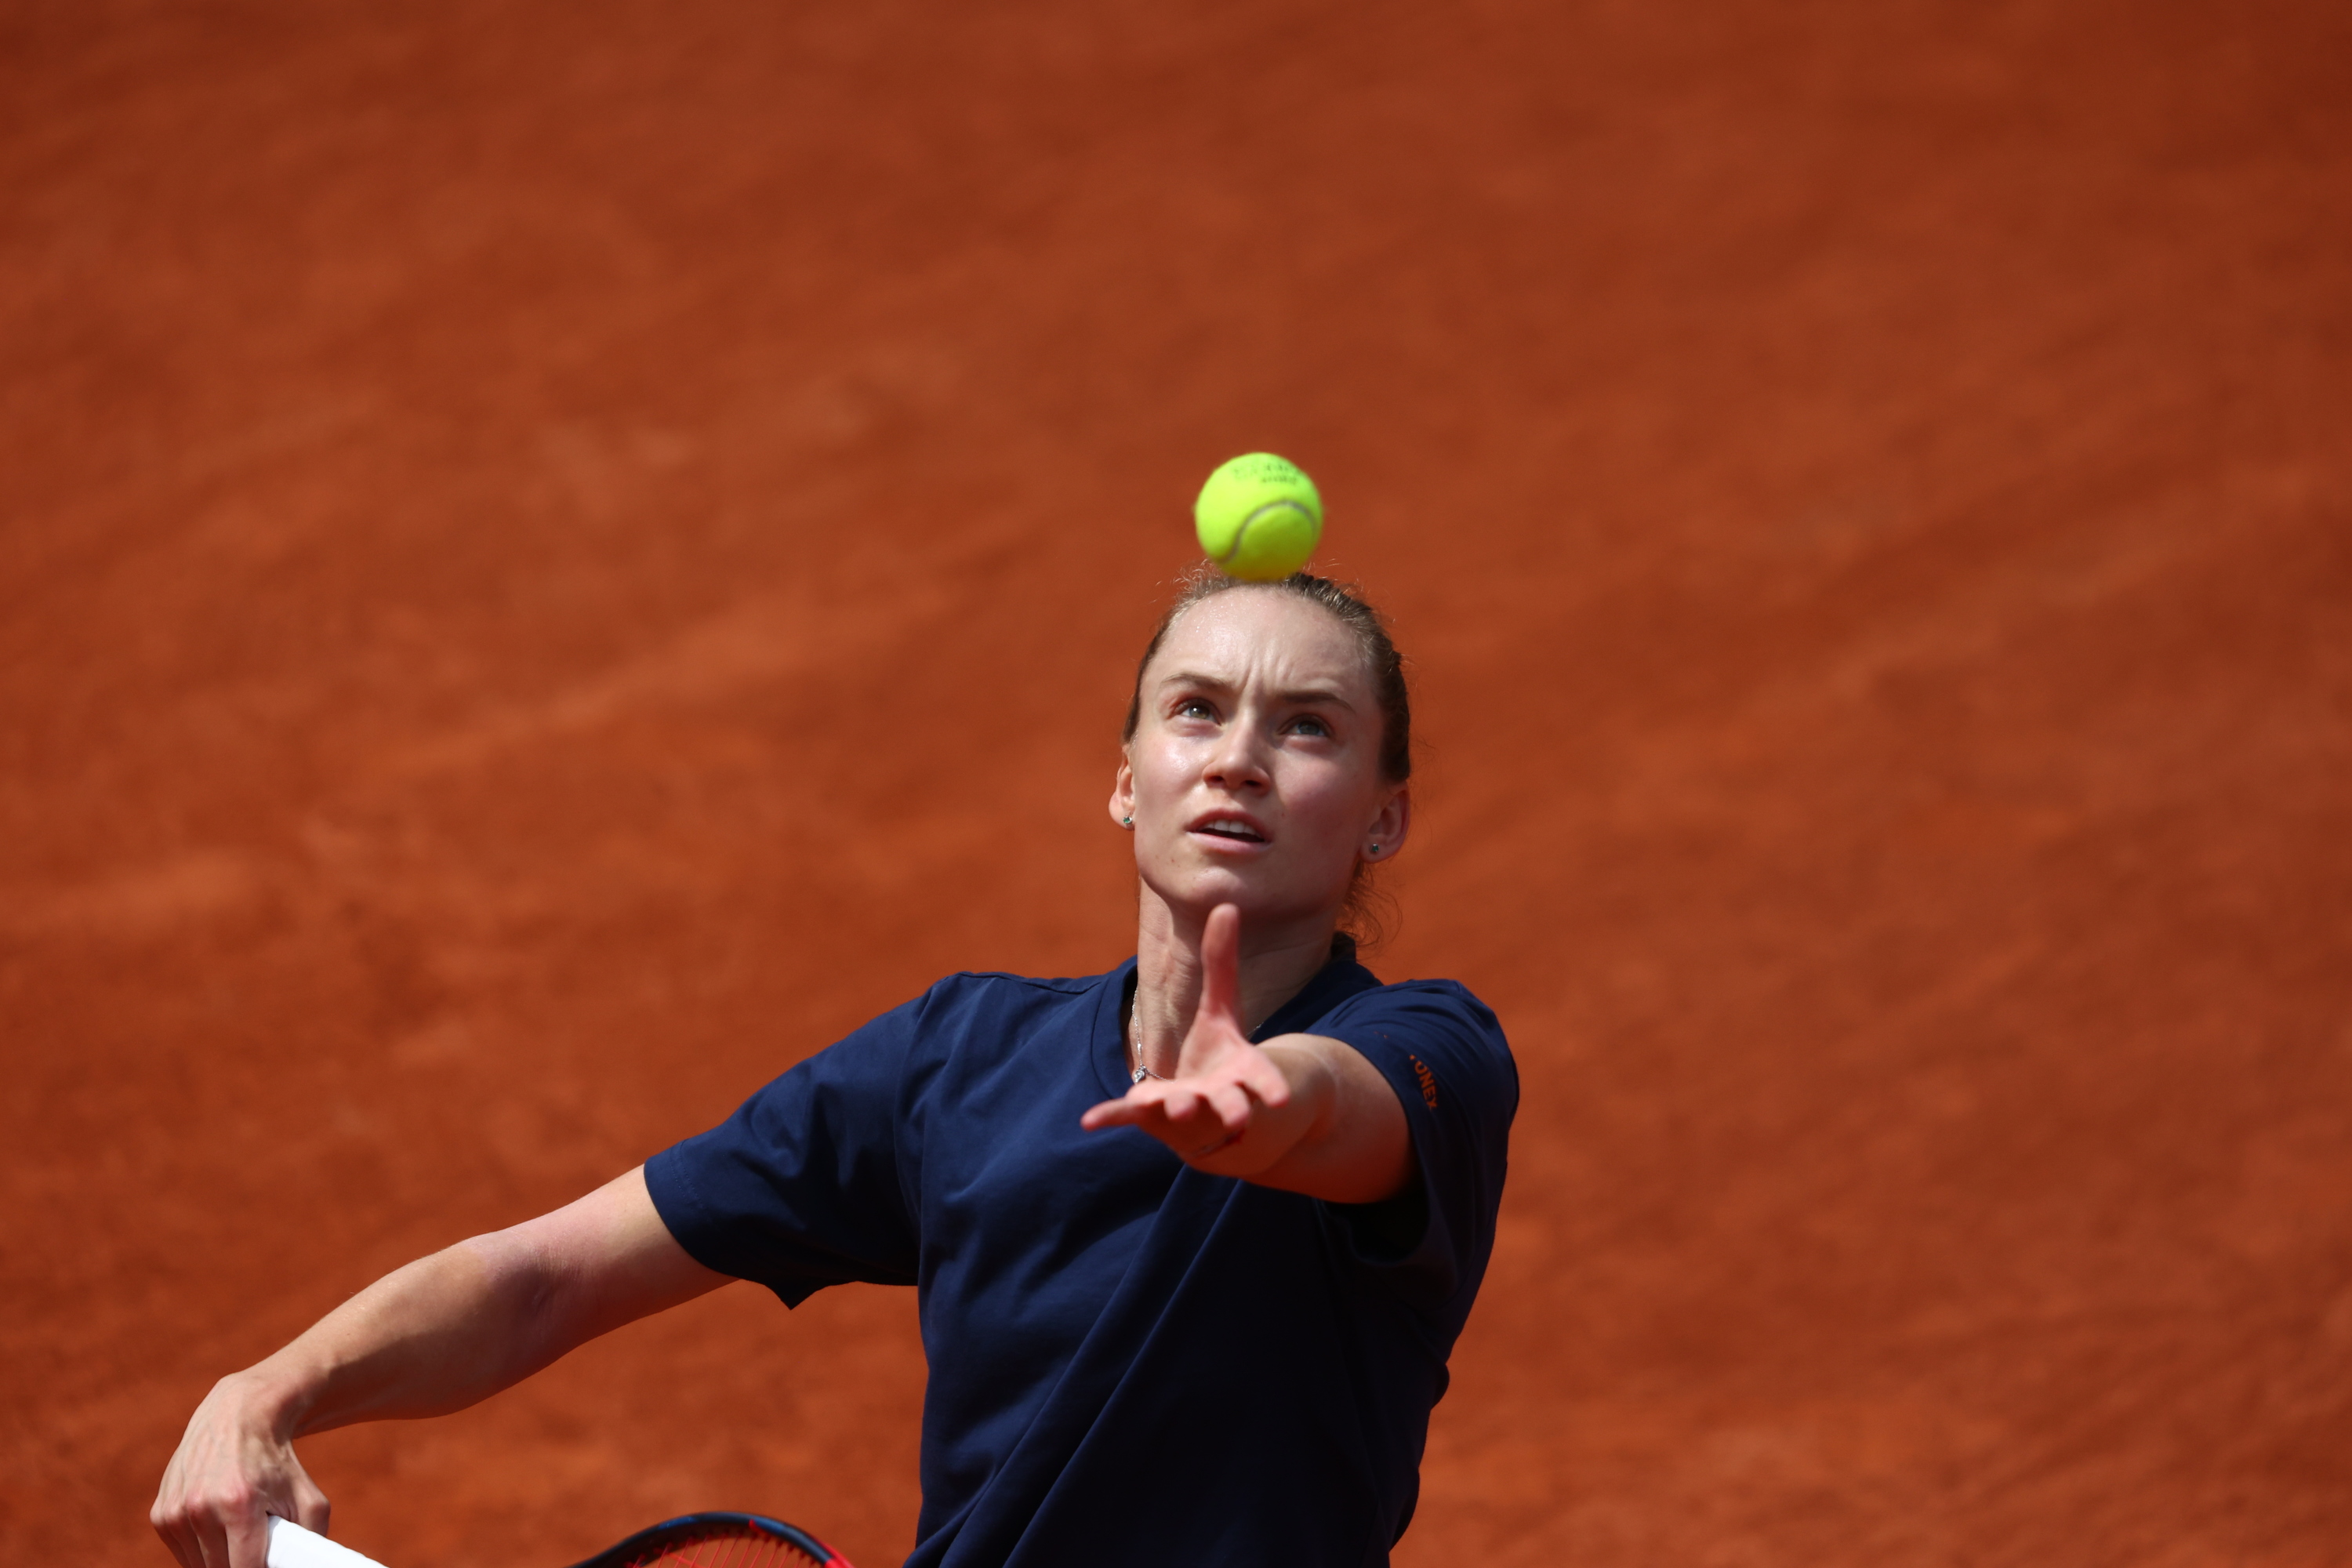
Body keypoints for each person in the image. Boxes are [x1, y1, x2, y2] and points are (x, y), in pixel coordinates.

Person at [152, 572, 1517, 1568]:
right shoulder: (961, 1062)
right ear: (1125, 777)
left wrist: (1272, 1106)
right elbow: (547, 1277)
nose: (1237, 759)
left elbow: (1354, 1117)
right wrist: (264, 1391)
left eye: (1308, 728)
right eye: (1197, 709)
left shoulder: (1428, 1053)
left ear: (1384, 820)